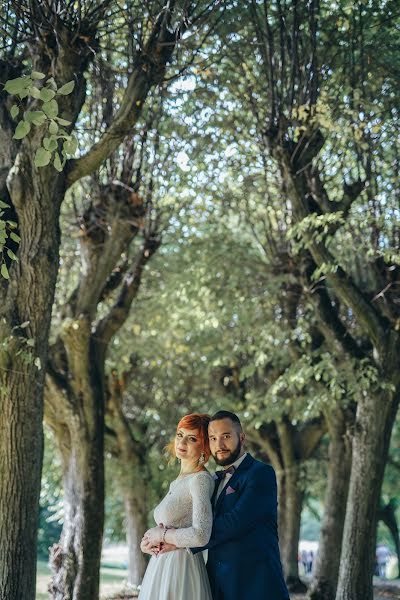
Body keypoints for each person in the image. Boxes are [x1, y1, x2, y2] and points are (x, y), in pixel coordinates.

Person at [159, 410, 290, 600]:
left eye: (226, 436)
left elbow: (234, 523)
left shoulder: (260, 473)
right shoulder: (213, 480)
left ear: (242, 437)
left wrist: (171, 538)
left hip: (256, 587)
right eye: (212, 438)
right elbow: (196, 522)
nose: (219, 445)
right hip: (217, 588)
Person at [139, 413, 214, 600]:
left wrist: (162, 535)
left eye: (192, 438)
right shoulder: (177, 482)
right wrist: (148, 543)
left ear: (204, 447)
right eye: (180, 435)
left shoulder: (200, 480)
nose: (182, 442)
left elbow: (201, 534)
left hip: (181, 569)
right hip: (161, 566)